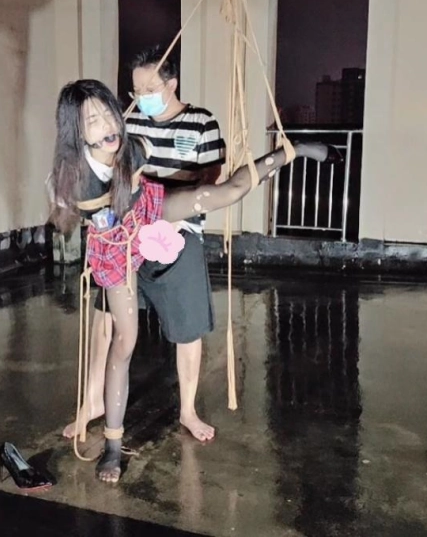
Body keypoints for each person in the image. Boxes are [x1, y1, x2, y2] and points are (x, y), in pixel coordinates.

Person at [49, 78, 334, 483]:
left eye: (109, 113)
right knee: (124, 342)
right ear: (76, 133)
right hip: (115, 249)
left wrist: (159, 214)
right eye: (93, 121)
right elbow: (70, 216)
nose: (108, 125)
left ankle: (294, 150)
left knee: (225, 193)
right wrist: (77, 210)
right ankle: (113, 446)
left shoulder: (131, 146)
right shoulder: (76, 178)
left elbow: (147, 176)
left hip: (147, 209)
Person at [62, 47, 226, 444]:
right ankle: (93, 401)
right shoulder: (128, 122)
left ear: (172, 84)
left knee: (187, 328)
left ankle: (188, 410)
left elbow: (211, 179)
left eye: (150, 89)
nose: (141, 98)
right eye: (135, 90)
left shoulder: (201, 122)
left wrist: (165, 201)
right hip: (125, 235)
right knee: (106, 320)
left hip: (179, 233)